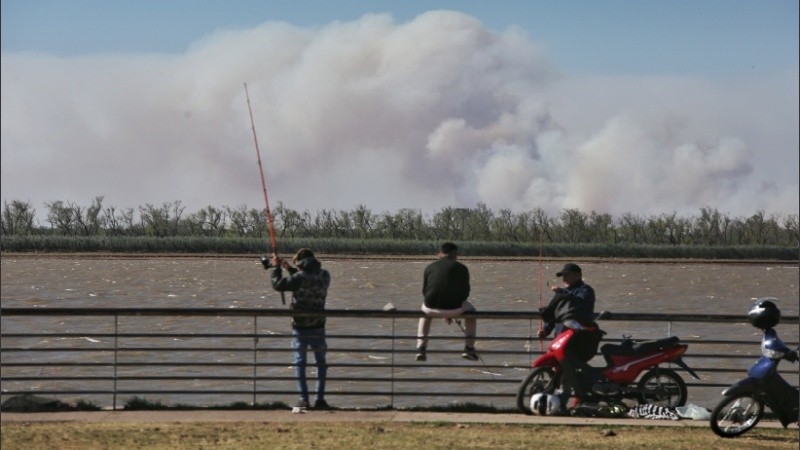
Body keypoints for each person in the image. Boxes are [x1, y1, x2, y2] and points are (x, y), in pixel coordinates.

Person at [270, 248, 331, 410]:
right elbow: (305, 279)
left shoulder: (299, 277)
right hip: (319, 326)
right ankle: (320, 399)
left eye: (297, 264)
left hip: (300, 327)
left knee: (300, 363)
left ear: (301, 262)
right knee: (321, 363)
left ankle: (304, 399)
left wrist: (276, 268)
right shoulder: (325, 276)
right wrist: (289, 269)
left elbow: (278, 285)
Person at [537, 262, 600, 407]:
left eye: (567, 275)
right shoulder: (563, 293)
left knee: (567, 374)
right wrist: (546, 330)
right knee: (557, 371)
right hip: (559, 339)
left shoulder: (586, 290)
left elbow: (580, 303)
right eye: (562, 276)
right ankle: (554, 403)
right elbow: (554, 314)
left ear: (578, 275)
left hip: (577, 340)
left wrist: (562, 293)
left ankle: (565, 404)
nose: (564, 278)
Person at [415, 242, 478, 362]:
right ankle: (469, 348)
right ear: (455, 254)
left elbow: (425, 291)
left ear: (440, 253)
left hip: (431, 307)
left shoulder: (429, 267)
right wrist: (452, 309)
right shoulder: (462, 268)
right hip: (455, 308)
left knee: (424, 312)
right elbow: (466, 292)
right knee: (472, 313)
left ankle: (421, 348)